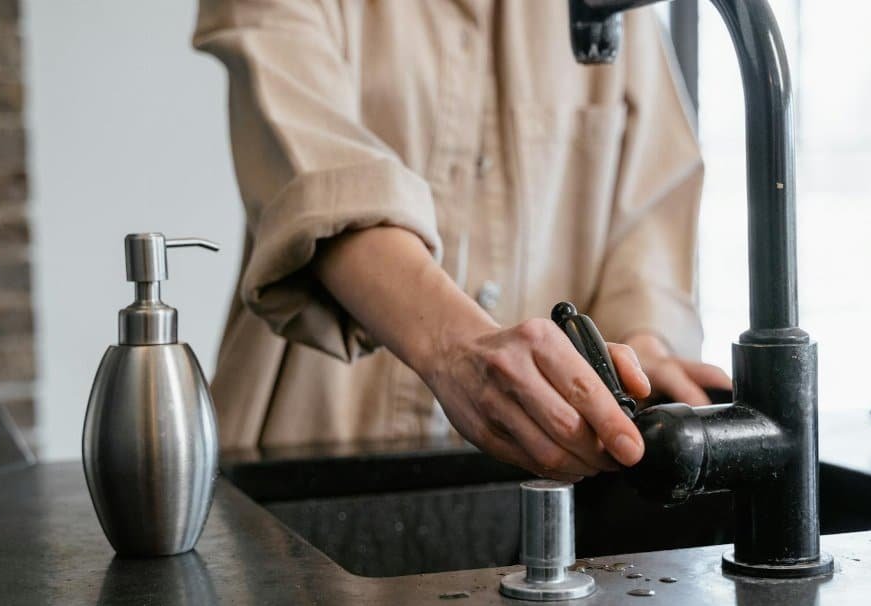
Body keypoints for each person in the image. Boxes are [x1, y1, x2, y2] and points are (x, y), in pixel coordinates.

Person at [193, 0, 730, 478]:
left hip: (540, 488)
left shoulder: (619, 15)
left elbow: (648, 222)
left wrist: (640, 357)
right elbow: (316, 176)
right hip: (304, 463)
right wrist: (456, 348)